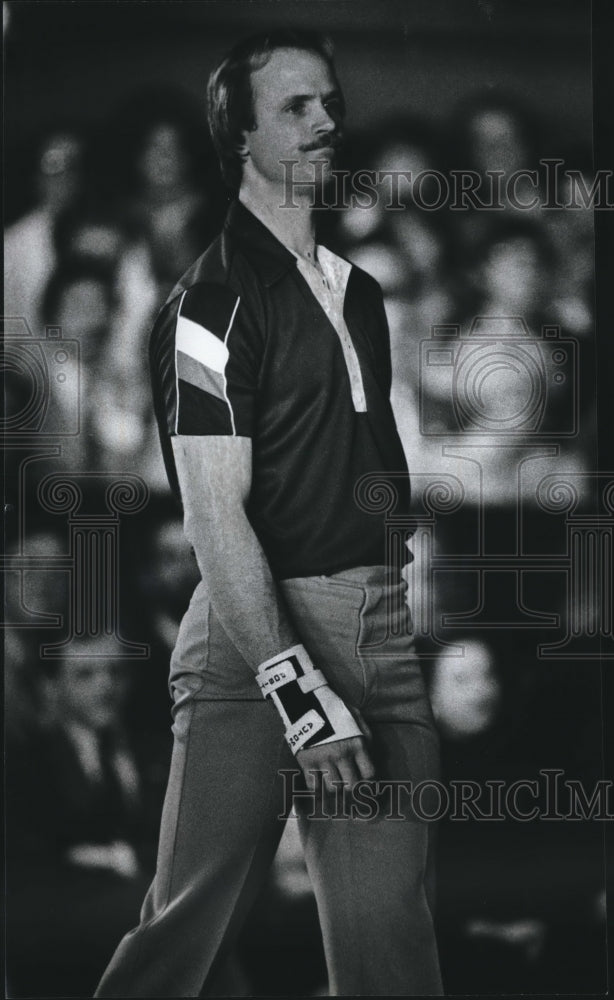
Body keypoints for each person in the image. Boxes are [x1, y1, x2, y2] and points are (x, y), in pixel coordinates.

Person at [96, 29, 443, 997]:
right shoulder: (209, 298)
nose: (327, 119)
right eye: (294, 106)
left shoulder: (360, 291)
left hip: (377, 622)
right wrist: (297, 695)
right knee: (182, 938)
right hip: (255, 638)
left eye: (328, 99)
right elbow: (214, 520)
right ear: (236, 135)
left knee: (392, 955)